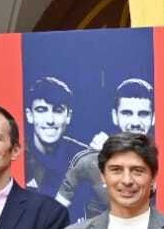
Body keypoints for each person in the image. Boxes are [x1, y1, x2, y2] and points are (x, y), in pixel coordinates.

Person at [56, 78, 156, 220]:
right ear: (115, 116)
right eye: (127, 113)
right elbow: (53, 214)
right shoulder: (89, 161)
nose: (135, 122)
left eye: (143, 114)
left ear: (153, 118)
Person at [23, 77, 88, 198]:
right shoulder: (17, 157)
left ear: (68, 116)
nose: (50, 120)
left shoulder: (84, 157)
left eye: (58, 111)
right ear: (29, 115)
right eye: (41, 110)